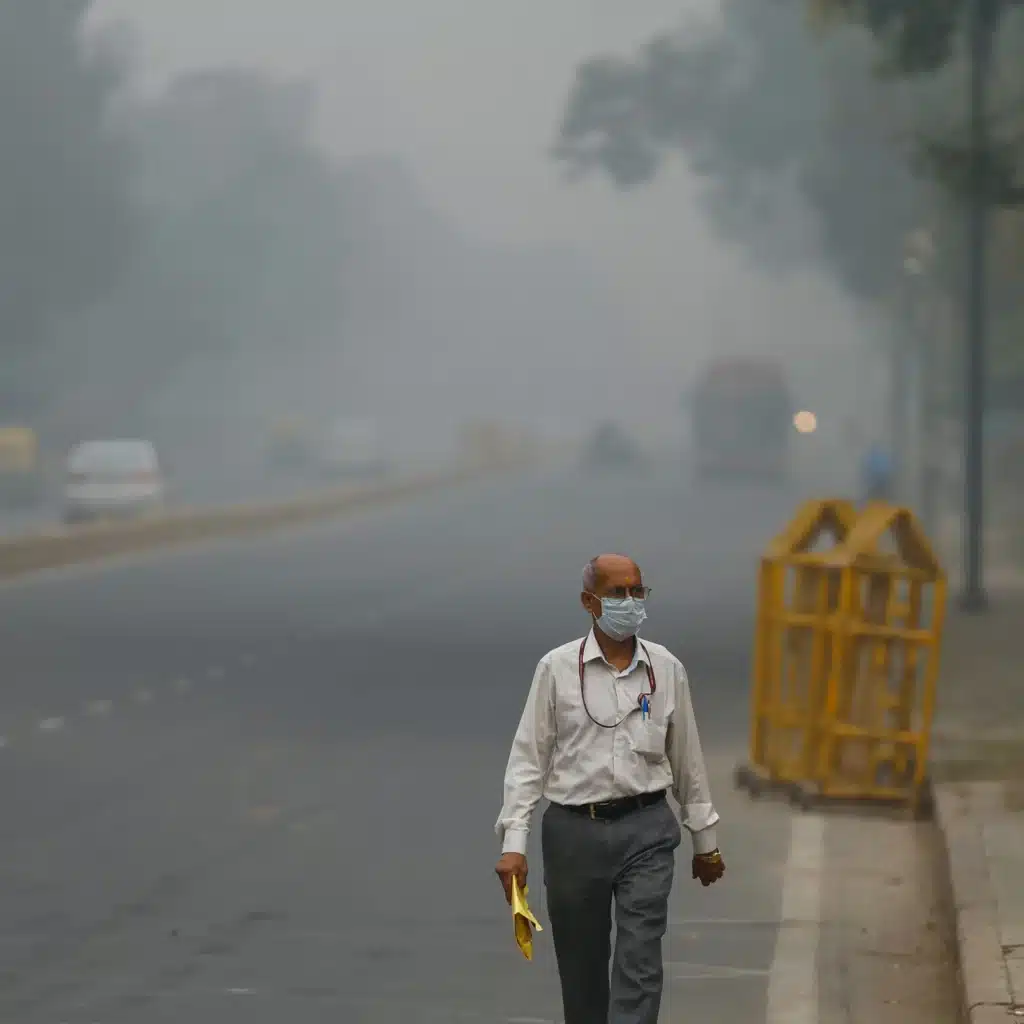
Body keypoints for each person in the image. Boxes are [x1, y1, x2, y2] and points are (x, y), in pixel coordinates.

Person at [494, 553, 724, 1024]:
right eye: (618, 593)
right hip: (573, 834)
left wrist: (706, 842)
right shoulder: (556, 669)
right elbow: (527, 761)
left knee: (640, 962)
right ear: (589, 601)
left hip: (647, 832)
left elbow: (688, 760)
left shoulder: (666, 670)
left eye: (637, 592)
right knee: (582, 975)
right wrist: (514, 844)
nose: (630, 602)